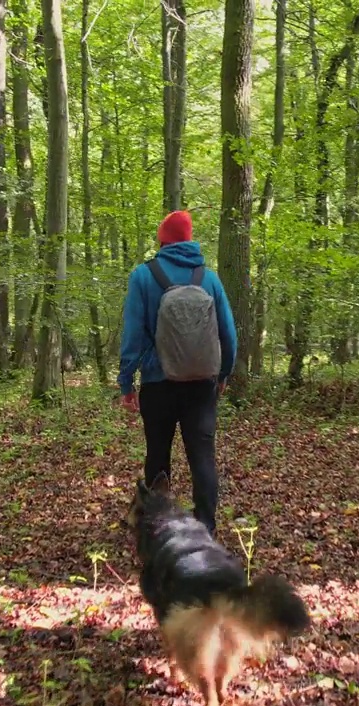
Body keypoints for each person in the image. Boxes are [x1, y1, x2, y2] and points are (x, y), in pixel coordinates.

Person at [118, 210, 237, 535]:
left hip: (158, 384)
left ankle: (158, 531)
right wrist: (224, 372)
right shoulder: (208, 278)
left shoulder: (143, 276)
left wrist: (126, 381)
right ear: (189, 239)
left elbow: (133, 334)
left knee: (157, 455)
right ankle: (206, 531)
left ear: (163, 239)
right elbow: (228, 332)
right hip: (201, 384)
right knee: (202, 457)